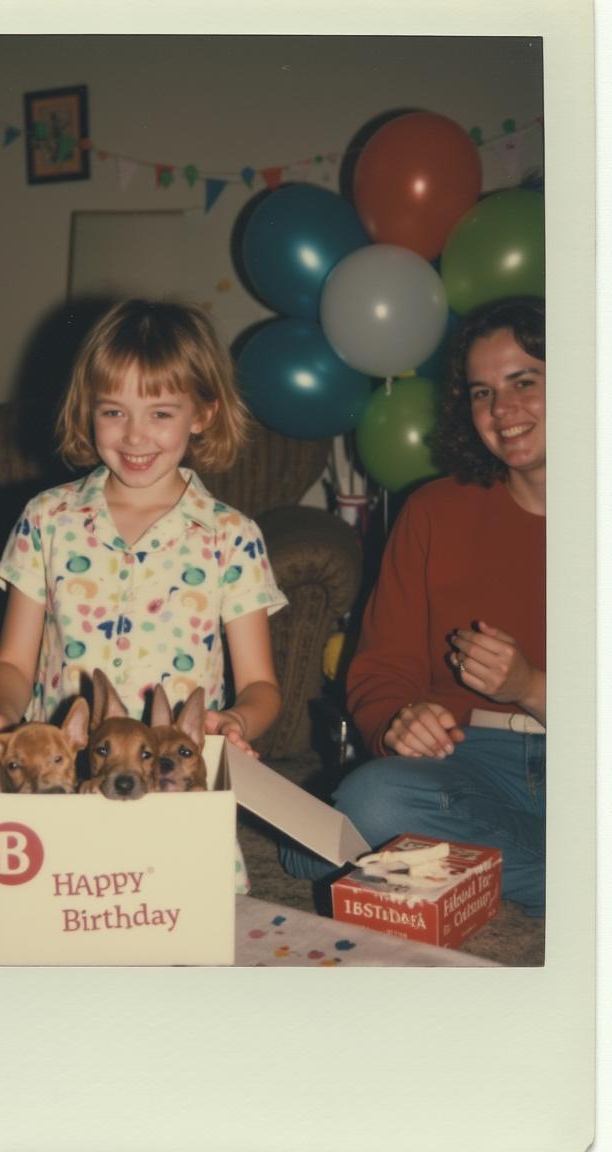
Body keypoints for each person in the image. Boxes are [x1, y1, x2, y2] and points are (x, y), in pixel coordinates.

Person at [280, 297, 546, 916]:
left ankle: (360, 849)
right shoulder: (435, 510)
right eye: (481, 393)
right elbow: (380, 670)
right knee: (377, 800)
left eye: (524, 382)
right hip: (467, 765)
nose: (502, 410)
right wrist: (398, 718)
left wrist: (531, 685)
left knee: (348, 831)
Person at [0, 298, 286, 757]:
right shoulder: (46, 518)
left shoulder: (232, 537)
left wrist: (238, 719)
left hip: (174, 772)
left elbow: (260, 685)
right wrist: (2, 713)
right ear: (88, 410)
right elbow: (12, 664)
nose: (135, 436)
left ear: (201, 415)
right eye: (114, 412)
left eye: (160, 414)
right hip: (63, 763)